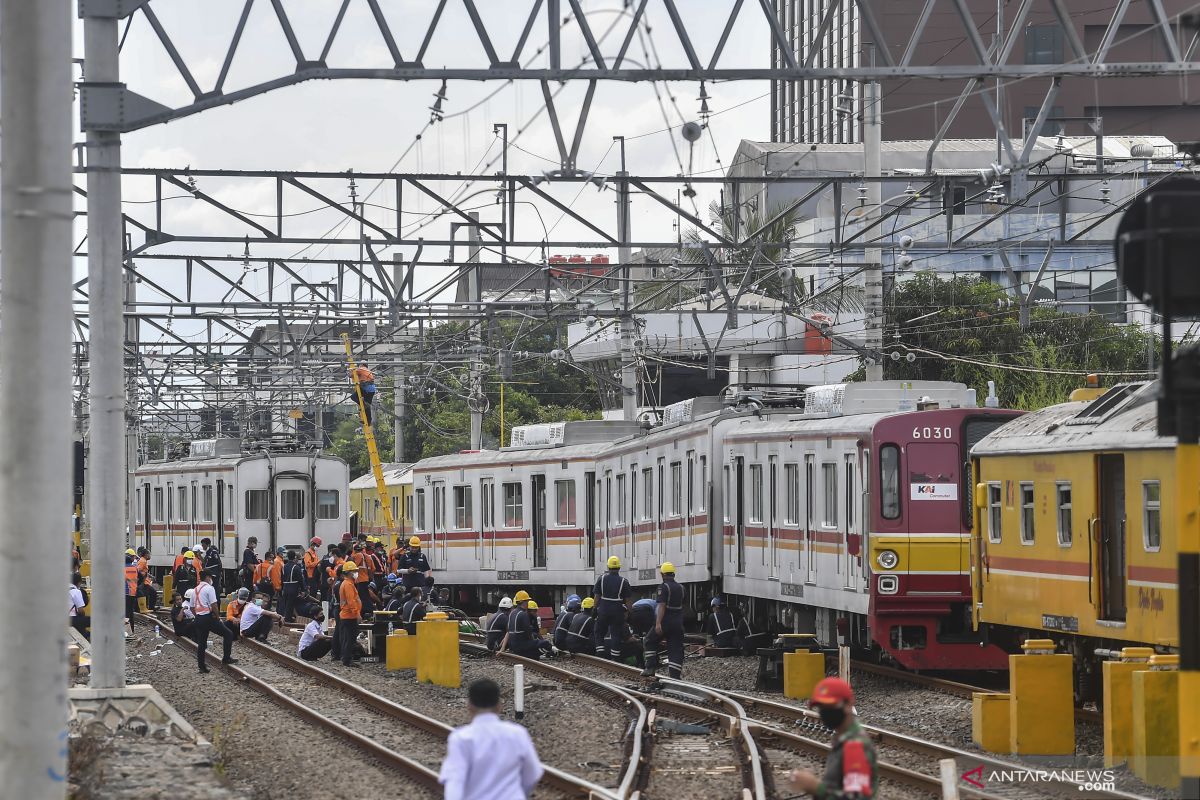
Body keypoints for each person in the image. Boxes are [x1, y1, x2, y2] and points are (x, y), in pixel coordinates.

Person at [438, 678, 544, 800]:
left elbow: (455, 781)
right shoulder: (517, 734)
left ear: (470, 706)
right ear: (499, 706)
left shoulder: (461, 738)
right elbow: (533, 773)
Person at [788, 677, 877, 800]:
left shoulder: (855, 745)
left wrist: (815, 787)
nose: (825, 712)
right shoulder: (843, 739)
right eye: (821, 707)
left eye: (830, 706)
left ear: (847, 705)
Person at [641, 562, 685, 679]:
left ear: (662, 574)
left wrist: (658, 623)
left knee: (650, 640)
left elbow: (662, 606)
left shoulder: (663, 587)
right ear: (673, 574)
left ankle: (650, 668)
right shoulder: (681, 588)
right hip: (678, 623)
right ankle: (675, 677)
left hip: (666, 621)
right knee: (675, 648)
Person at [193, 572, 236, 673]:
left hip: (199, 618)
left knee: (202, 643)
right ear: (208, 577)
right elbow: (214, 605)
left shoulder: (195, 589)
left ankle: (201, 666)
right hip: (208, 618)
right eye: (211, 577)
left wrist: (197, 616)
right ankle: (226, 658)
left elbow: (191, 607)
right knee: (228, 634)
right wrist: (217, 617)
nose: (212, 579)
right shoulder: (209, 588)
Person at [593, 556, 632, 661]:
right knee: (616, 633)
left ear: (608, 567)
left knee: (599, 630)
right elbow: (628, 600)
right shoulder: (624, 581)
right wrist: (630, 612)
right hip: (617, 611)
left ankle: (600, 652)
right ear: (619, 568)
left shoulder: (601, 579)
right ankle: (615, 657)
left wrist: (594, 609)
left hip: (603, 609)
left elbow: (596, 596)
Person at [336, 560, 363, 667]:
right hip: (349, 616)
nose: (356, 573)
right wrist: (357, 614)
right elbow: (351, 601)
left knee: (348, 638)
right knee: (350, 638)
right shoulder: (347, 584)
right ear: (349, 572)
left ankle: (347, 658)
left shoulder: (348, 583)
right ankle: (347, 660)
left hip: (347, 615)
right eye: (354, 571)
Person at [280, 549, 305, 622]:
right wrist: (303, 590)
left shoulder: (284, 566)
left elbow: (281, 578)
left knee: (287, 605)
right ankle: (288, 620)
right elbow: (300, 579)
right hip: (293, 587)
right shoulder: (296, 567)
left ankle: (287, 618)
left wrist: (281, 588)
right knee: (290, 605)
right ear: (294, 557)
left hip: (285, 587)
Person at [351, 359, 376, 426]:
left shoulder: (362, 369)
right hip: (372, 390)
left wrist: (349, 371)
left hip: (366, 388)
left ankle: (362, 403)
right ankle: (368, 421)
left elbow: (353, 373)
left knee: (353, 397)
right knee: (367, 406)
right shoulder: (368, 371)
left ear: (361, 364)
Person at [69, 573, 89, 639]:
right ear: (79, 582)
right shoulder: (76, 591)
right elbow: (81, 610)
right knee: (92, 620)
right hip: (72, 619)